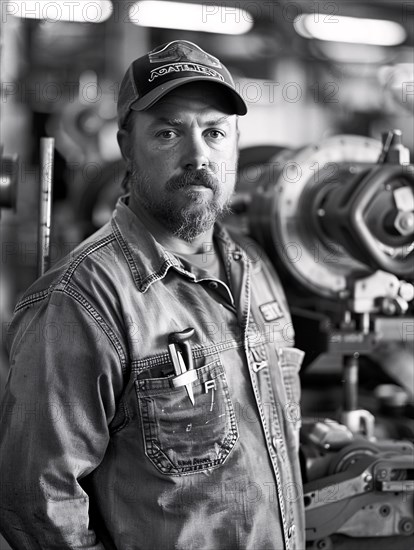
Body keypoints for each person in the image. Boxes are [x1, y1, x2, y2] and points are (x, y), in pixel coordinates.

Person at [0, 40, 305, 549]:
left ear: (235, 143)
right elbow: (37, 505)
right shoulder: (85, 296)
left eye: (214, 133)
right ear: (126, 145)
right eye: (168, 133)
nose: (197, 155)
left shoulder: (254, 267)